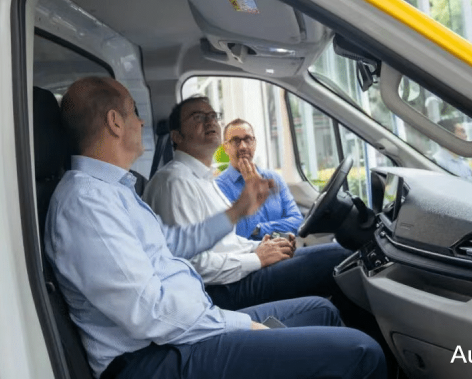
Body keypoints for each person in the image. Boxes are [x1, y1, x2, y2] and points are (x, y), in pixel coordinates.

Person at [45, 77, 386, 379]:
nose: (142, 121)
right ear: (115, 122)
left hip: (182, 327)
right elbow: (148, 312)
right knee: (362, 352)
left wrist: (241, 219)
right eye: (134, 112)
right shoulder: (87, 202)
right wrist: (237, 323)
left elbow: (176, 245)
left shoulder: (116, 190)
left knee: (322, 311)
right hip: (149, 358)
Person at [143, 96, 352, 311]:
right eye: (198, 117)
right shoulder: (173, 182)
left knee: (341, 257)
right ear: (177, 136)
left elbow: (230, 243)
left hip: (236, 272)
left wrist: (264, 246)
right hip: (217, 291)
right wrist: (257, 258)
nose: (210, 121)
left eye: (213, 116)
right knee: (340, 257)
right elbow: (191, 264)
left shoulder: (205, 180)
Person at [216, 118, 302, 239]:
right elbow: (236, 232)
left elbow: (298, 222)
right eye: (236, 141)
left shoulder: (274, 178)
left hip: (285, 247)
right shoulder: (219, 187)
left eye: (247, 139)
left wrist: (259, 229)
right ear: (225, 147)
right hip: (252, 251)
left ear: (254, 143)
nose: (243, 146)